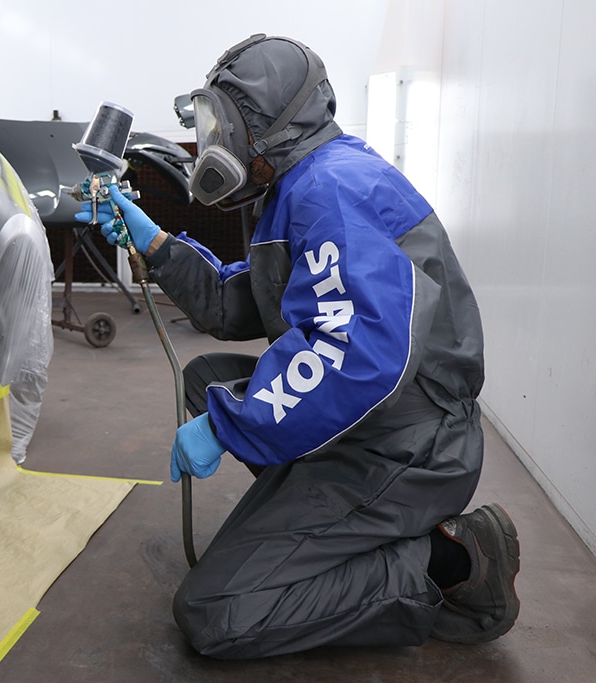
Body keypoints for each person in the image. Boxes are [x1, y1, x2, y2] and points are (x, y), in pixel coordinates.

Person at [77, 34, 520, 658]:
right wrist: (156, 245)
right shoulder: (296, 187)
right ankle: (311, 515)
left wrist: (233, 428)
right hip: (381, 418)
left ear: (263, 128)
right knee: (207, 379)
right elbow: (241, 304)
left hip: (410, 445)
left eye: (221, 126)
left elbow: (353, 353)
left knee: (216, 613)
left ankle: (447, 559)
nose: (213, 144)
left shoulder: (331, 192)